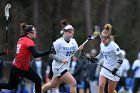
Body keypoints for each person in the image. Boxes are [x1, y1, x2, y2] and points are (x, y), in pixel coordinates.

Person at [0, 23, 51, 93]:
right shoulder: (29, 41)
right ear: (29, 33)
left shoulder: (21, 39)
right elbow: (35, 55)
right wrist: (48, 52)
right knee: (10, 86)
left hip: (24, 68)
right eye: (34, 31)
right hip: (17, 69)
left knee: (38, 80)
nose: (35, 33)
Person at [42, 19, 83, 93]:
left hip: (65, 67)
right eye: (70, 31)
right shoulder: (58, 42)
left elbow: (77, 56)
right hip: (58, 67)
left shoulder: (73, 42)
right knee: (73, 83)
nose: (72, 33)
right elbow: (50, 55)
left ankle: (38, 91)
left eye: (73, 31)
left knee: (52, 85)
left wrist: (79, 50)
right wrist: (61, 60)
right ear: (65, 32)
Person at [89, 24, 123, 93]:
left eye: (105, 38)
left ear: (109, 37)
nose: (103, 39)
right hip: (105, 68)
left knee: (110, 91)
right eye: (102, 37)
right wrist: (96, 59)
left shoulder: (114, 46)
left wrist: (116, 68)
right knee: (101, 86)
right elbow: (101, 53)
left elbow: (121, 58)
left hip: (115, 70)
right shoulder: (102, 44)